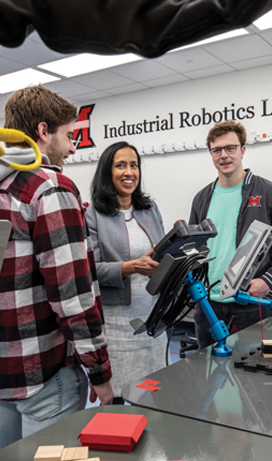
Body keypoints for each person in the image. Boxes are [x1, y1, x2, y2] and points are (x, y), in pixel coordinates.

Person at [0, 85, 113, 457]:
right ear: (43, 132)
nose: (73, 147)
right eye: (69, 135)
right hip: (44, 374)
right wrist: (100, 372)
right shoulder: (50, 188)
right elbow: (72, 296)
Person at [189, 120, 272, 348]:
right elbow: (192, 249)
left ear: (242, 150)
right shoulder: (202, 198)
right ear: (211, 154)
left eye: (230, 148)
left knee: (256, 376)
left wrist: (267, 280)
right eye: (217, 150)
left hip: (252, 302)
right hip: (208, 304)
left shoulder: (268, 192)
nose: (224, 155)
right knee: (208, 375)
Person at [85, 141, 166, 399]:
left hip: (153, 321)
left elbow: (161, 251)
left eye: (134, 165)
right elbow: (90, 270)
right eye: (120, 165)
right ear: (107, 172)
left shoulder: (149, 209)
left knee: (156, 397)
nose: (129, 172)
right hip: (117, 328)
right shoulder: (92, 215)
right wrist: (132, 267)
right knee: (121, 402)